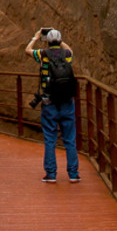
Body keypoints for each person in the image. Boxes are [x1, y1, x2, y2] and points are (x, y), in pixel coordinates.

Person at [25, 27, 80, 184]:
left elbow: (27, 50)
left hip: (49, 102)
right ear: (59, 40)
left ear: (48, 42)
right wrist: (59, 40)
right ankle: (73, 174)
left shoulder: (43, 55)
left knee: (50, 139)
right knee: (69, 139)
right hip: (67, 102)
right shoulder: (67, 55)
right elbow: (70, 50)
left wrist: (36, 37)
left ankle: (51, 174)